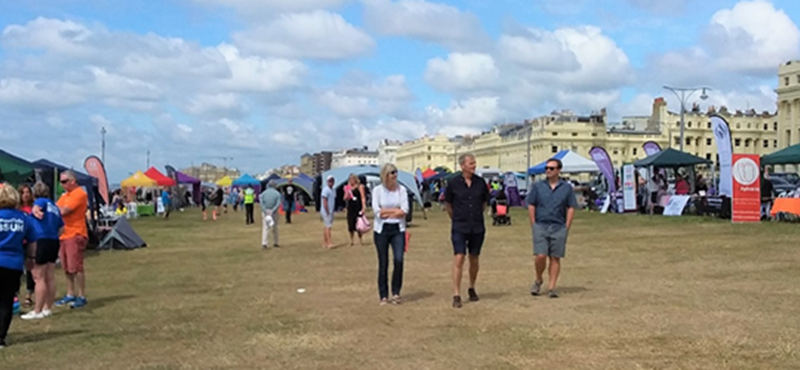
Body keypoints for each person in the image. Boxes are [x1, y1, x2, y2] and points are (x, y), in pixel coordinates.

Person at [527, 158, 577, 298]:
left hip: (558, 226)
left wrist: (567, 226)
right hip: (541, 225)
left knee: (555, 257)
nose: (548, 171)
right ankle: (538, 279)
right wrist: (533, 223)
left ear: (559, 170)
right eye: (547, 168)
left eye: (551, 168)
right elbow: (531, 204)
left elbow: (571, 207)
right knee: (540, 255)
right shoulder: (538, 186)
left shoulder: (566, 188)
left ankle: (552, 287)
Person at [445, 153, 490, 308]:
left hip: (477, 226)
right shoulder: (453, 183)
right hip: (459, 225)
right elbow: (448, 205)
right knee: (459, 257)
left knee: (474, 258)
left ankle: (471, 287)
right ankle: (456, 294)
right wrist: (457, 218)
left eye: (474, 163)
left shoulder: (480, 183)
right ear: (462, 165)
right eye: (471, 163)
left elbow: (484, 202)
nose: (473, 165)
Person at [0, 184, 39, 347]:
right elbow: (32, 241)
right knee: (6, 301)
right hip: (13, 263)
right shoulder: (24, 218)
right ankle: (1, 337)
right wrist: (31, 258)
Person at [48, 170, 89, 309]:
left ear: (73, 181)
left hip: (75, 233)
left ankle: (81, 295)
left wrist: (56, 208)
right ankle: (70, 293)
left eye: (64, 181)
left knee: (76, 266)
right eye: (61, 181)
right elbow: (56, 209)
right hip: (64, 234)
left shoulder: (80, 194)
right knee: (66, 267)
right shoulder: (65, 195)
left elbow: (63, 211)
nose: (62, 184)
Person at [22, 183, 63, 320]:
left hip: (41, 239)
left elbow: (36, 209)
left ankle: (37, 310)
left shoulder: (40, 202)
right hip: (54, 240)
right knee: (49, 276)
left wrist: (36, 213)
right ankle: (47, 308)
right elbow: (62, 227)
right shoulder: (55, 207)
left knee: (38, 277)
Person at [371, 164, 408, 305]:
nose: (395, 175)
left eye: (396, 172)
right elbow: (377, 212)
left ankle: (396, 292)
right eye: (392, 173)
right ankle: (383, 295)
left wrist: (389, 211)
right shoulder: (377, 191)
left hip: (398, 229)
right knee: (383, 262)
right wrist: (394, 211)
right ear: (385, 175)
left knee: (398, 260)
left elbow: (404, 210)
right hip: (382, 230)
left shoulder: (402, 190)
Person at [17, 184, 34, 308]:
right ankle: (15, 294)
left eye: (27, 192)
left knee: (30, 269)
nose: (26, 195)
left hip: (30, 242)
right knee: (17, 270)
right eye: (23, 192)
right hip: (18, 242)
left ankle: (29, 295)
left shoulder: (34, 208)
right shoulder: (16, 209)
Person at [345, 174, 367, 246]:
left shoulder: (360, 187)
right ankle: (351, 240)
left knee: (359, 225)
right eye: (350, 179)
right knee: (350, 224)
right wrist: (347, 192)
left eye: (352, 179)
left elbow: (363, 197)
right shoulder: (348, 188)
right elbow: (345, 198)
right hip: (350, 207)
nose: (351, 181)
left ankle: (360, 240)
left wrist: (363, 207)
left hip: (358, 207)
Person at [259, 181, 281, 249]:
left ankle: (264, 243)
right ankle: (275, 242)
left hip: (265, 212)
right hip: (274, 212)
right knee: (275, 227)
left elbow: (261, 203)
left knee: (265, 227)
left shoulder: (263, 193)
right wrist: (273, 210)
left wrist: (265, 210)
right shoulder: (277, 194)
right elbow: (278, 203)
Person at [320, 176, 335, 249]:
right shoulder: (325, 190)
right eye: (329, 181)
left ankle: (325, 242)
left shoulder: (333, 190)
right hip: (326, 211)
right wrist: (327, 210)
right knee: (328, 227)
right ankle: (329, 243)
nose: (331, 182)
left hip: (331, 210)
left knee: (326, 226)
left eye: (332, 181)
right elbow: (324, 201)